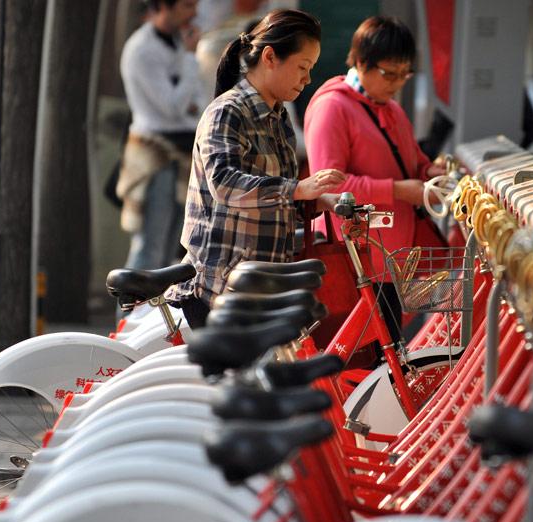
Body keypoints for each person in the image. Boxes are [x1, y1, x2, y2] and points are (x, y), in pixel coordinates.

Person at [170, 9, 346, 327]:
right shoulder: (228, 112)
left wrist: (317, 201)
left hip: (261, 286)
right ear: (269, 57)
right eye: (302, 67)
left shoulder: (278, 117)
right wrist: (297, 189)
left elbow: (277, 198)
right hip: (220, 290)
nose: (307, 79)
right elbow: (224, 183)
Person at [303, 15, 445, 339]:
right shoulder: (332, 108)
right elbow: (329, 184)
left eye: (403, 74)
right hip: (356, 262)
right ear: (361, 62)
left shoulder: (390, 108)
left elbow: (413, 162)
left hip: (389, 260)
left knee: (390, 357)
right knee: (371, 363)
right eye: (388, 73)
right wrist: (396, 191)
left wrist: (432, 173)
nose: (396, 83)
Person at [117, 0, 207, 272]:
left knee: (170, 250)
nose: (193, 13)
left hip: (181, 152)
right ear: (163, 6)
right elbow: (173, 106)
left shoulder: (177, 42)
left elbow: (196, 101)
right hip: (155, 153)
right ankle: (127, 314)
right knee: (150, 248)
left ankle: (153, 314)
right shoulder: (141, 49)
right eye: (186, 6)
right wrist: (192, 58)